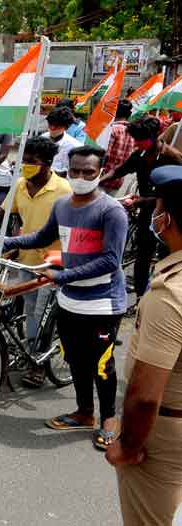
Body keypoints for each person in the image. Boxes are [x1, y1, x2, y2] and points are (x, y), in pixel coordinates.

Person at [2, 146, 128, 450]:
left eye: (88, 171)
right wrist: (4, 240)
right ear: (67, 170)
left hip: (102, 303)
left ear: (100, 172)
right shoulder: (62, 206)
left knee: (101, 365)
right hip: (69, 300)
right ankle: (84, 412)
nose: (81, 177)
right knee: (75, 361)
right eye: (75, 171)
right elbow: (41, 238)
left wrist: (61, 276)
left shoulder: (111, 211)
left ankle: (108, 418)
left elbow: (111, 260)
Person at [0, 136, 73, 387]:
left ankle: (39, 366)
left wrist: (12, 244)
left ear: (47, 163)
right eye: (23, 160)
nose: (25, 165)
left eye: (31, 162)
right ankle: (29, 351)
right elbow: (3, 211)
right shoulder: (21, 184)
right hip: (26, 261)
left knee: (40, 315)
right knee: (28, 311)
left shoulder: (63, 190)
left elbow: (56, 233)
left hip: (52, 264)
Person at [107, 166, 182, 525]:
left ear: (165, 219)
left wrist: (128, 446)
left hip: (165, 434)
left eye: (157, 208)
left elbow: (146, 395)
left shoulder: (169, 293)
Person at [101, 116, 182, 307]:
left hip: (168, 215)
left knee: (166, 257)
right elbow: (119, 171)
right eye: (135, 140)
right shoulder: (139, 154)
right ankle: (140, 298)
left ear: (154, 137)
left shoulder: (173, 157)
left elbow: (176, 193)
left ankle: (166, 296)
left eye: (140, 139)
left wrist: (141, 201)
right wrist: (97, 181)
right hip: (147, 214)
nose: (136, 143)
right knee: (142, 256)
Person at [100, 99, 135, 197]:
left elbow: (105, 155)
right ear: (129, 114)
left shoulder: (112, 130)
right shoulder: (133, 132)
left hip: (103, 178)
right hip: (118, 180)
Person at [41, 107, 82, 177]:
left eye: (57, 125)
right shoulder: (42, 139)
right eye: (50, 124)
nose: (52, 128)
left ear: (66, 127)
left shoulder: (75, 146)